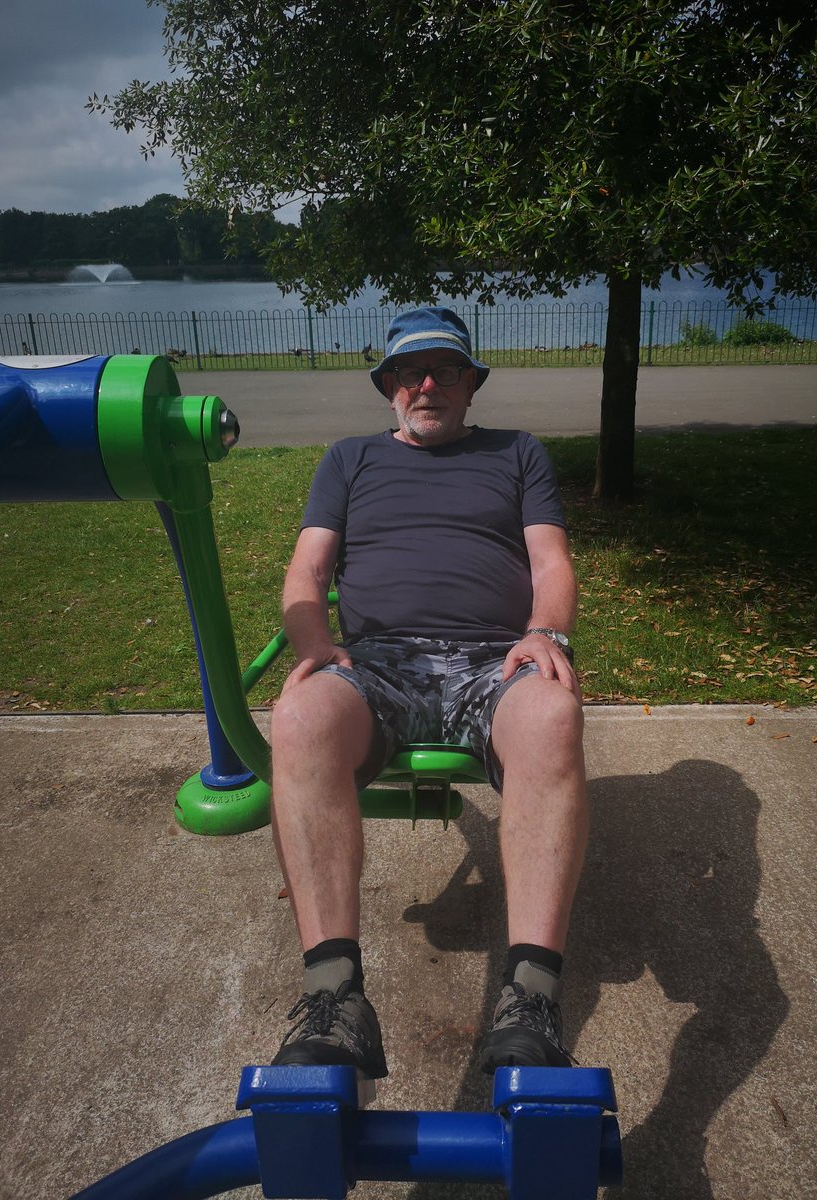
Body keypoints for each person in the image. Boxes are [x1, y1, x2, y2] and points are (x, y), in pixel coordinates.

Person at [270, 307, 588, 1086]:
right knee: (303, 714)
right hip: (380, 661)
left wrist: (547, 631)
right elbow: (307, 572)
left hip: (491, 660)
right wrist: (315, 643)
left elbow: (551, 563)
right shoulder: (349, 460)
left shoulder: (517, 454)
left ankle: (532, 998)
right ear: (387, 389)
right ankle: (335, 998)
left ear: (471, 384)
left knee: (551, 712)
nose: (426, 384)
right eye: (408, 372)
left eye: (446, 370)